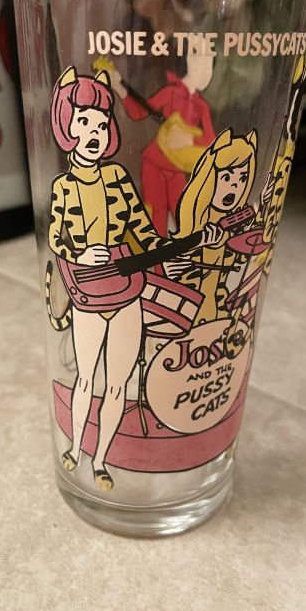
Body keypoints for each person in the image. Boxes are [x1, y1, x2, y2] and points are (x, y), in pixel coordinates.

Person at [47, 66, 217, 490]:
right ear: (66, 126)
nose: (94, 132)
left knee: (118, 384)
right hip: (87, 292)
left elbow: (142, 231)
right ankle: (75, 450)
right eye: (84, 122)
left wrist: (173, 251)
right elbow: (55, 234)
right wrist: (79, 253)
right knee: (87, 377)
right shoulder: (64, 187)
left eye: (101, 124)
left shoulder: (119, 179)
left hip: (126, 291)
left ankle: (101, 460)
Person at [109, 50, 217, 235]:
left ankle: (184, 253)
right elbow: (138, 112)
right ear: (190, 63)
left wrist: (190, 139)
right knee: (155, 216)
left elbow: (211, 140)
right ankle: (156, 254)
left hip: (177, 167)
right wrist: (118, 87)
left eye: (209, 64)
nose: (206, 70)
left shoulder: (201, 106)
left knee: (183, 214)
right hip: (155, 162)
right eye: (202, 62)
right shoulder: (170, 92)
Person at [173, 128, 261, 326]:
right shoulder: (197, 222)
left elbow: (243, 259)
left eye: (242, 178)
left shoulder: (233, 222)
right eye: (227, 177)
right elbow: (177, 265)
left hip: (217, 304)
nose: (235, 186)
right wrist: (204, 244)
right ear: (209, 177)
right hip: (188, 305)